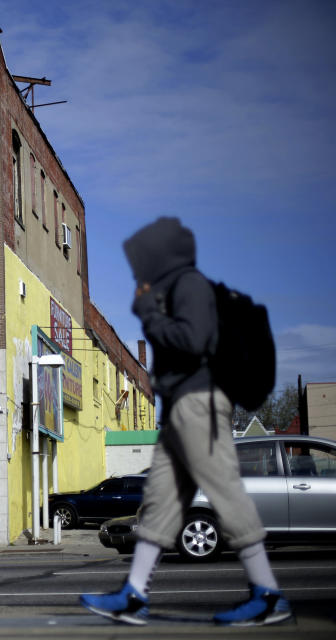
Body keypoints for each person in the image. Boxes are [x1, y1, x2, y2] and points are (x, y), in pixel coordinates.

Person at [79, 217, 291, 626]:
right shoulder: (172, 292)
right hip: (179, 411)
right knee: (159, 502)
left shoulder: (189, 286)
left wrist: (149, 315)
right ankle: (135, 594)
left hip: (200, 404)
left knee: (225, 495)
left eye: (143, 261)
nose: (139, 271)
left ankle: (268, 594)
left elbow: (194, 342)